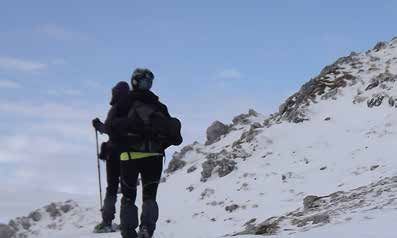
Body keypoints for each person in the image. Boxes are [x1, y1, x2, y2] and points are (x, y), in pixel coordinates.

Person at [107, 68, 182, 238]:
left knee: (128, 197)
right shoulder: (159, 105)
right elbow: (174, 136)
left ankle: (128, 233)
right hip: (154, 157)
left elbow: (111, 127)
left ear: (134, 81)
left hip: (129, 157)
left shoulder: (123, 104)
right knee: (149, 197)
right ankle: (147, 229)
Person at [92, 81, 131, 233]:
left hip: (113, 154)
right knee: (128, 188)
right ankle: (127, 222)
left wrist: (97, 125)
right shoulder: (133, 109)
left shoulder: (115, 109)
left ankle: (107, 222)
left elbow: (108, 128)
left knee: (112, 188)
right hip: (129, 155)